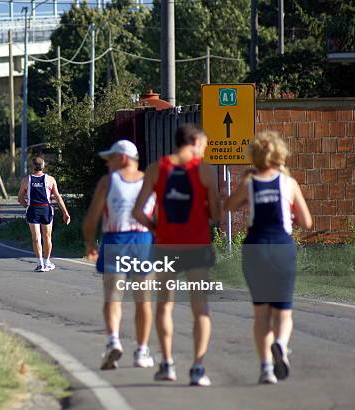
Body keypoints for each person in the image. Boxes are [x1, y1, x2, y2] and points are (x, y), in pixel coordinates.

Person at [133, 123, 220, 386]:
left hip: (166, 247)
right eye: (203, 146)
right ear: (193, 141)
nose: (203, 152)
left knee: (165, 305)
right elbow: (216, 214)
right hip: (196, 248)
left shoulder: (156, 168)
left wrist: (155, 228)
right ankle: (197, 368)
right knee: (200, 307)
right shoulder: (203, 171)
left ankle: (168, 364)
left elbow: (138, 211)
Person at [225, 131, 312, 384]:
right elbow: (307, 222)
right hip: (282, 249)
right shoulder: (289, 183)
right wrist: (292, 213)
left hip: (255, 249)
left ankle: (265, 369)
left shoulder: (249, 183)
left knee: (261, 313)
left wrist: (247, 201)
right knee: (283, 313)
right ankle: (281, 345)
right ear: (280, 155)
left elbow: (228, 207)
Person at [83, 140, 156, 370]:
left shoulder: (108, 181)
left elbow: (91, 219)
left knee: (113, 297)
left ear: (123, 158)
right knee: (143, 300)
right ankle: (142, 352)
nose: (108, 165)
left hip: (115, 239)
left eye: (111, 159)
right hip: (143, 241)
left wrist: (89, 243)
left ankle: (113, 340)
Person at [18, 156, 71, 272]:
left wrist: (27, 206)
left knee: (36, 238)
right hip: (45, 209)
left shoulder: (26, 180)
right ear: (43, 166)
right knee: (47, 237)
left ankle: (40, 263)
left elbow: (20, 198)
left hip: (33, 209)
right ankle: (46, 262)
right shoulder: (50, 179)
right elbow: (57, 197)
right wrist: (65, 212)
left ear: (33, 166)